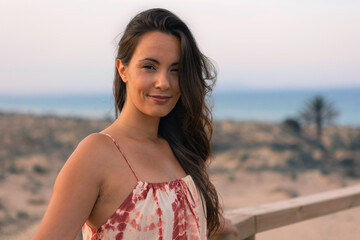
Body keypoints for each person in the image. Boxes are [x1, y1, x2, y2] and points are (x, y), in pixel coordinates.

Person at [32, 8, 239, 240]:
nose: (164, 82)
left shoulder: (177, 146)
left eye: (176, 70)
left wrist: (218, 223)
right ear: (123, 70)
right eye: (150, 66)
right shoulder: (96, 153)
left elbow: (179, 220)